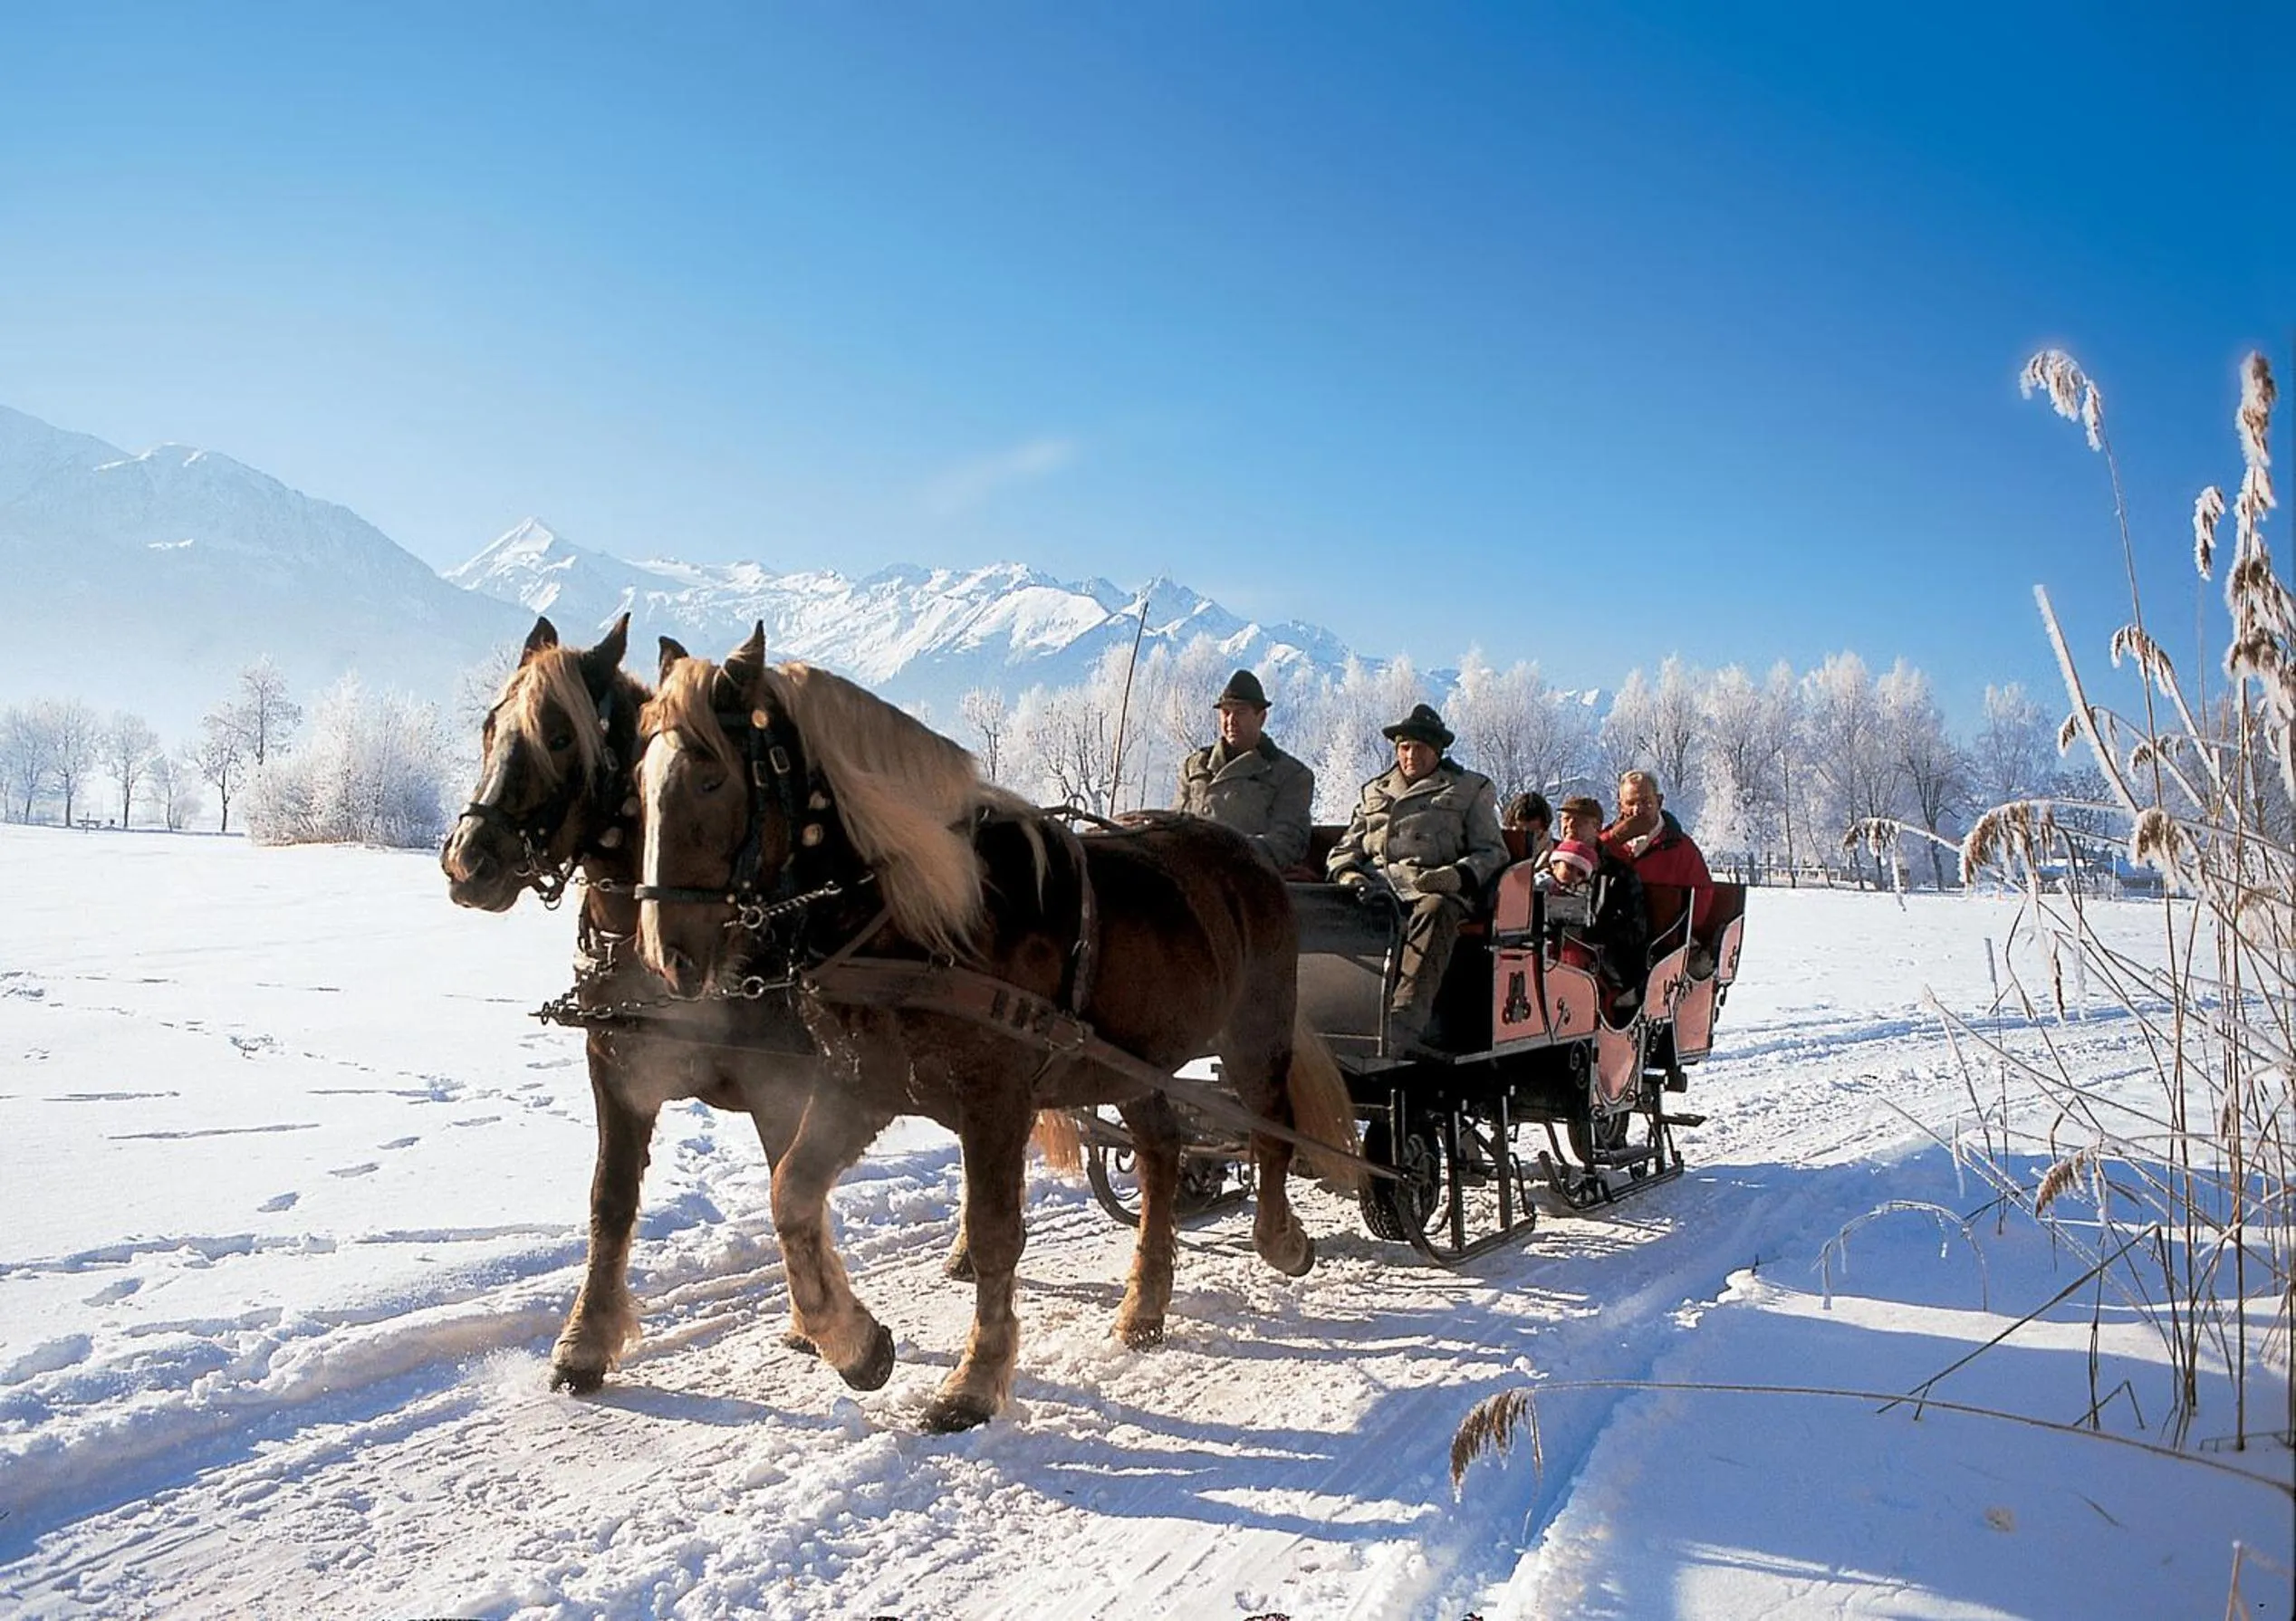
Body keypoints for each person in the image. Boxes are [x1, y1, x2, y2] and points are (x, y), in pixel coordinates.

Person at [1326, 703, 1508, 1050]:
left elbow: (1493, 851)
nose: (1410, 755)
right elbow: (1345, 849)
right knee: (1324, 904)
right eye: (1404, 747)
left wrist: (1458, 875)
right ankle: (1327, 1012)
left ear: (1437, 752)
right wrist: (1348, 875)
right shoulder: (1375, 791)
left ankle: (1402, 1024)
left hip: (1434, 888)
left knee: (1435, 909)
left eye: (1420, 748)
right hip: (1377, 887)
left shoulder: (1469, 788)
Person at [1173, 668, 1315, 871]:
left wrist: (1232, 851)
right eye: (1226, 712)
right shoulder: (1195, 766)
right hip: (1190, 873)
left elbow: (1288, 842)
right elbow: (1174, 824)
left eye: (1240, 712)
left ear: (1261, 717)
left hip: (1247, 880)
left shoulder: (1290, 775)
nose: (1231, 721)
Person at [1554, 795, 1649, 1010]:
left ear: (1596, 826)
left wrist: (1588, 935)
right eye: (1565, 819)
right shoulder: (1546, 866)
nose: (1569, 825)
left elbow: (1635, 931)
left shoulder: (1619, 875)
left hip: (1602, 964)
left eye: (1578, 821)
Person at [1601, 769, 1714, 931]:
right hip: (1609, 936)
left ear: (1659, 802)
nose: (1637, 810)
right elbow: (1586, 862)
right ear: (1620, 806)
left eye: (1645, 802)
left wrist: (1679, 933)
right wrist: (1614, 839)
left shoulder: (1680, 847)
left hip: (1664, 939)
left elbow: (1702, 894)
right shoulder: (1607, 841)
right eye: (1630, 803)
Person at [1501, 791, 1553, 861]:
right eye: (1520, 833)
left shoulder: (1557, 856)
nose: (1526, 840)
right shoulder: (1498, 855)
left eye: (1532, 833)